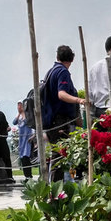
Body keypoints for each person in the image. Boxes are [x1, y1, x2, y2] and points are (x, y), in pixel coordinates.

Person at [43, 45, 86, 182]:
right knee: (60, 156)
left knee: (59, 155)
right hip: (60, 121)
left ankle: (61, 186)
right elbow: (61, 94)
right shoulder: (62, 72)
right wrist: (79, 100)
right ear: (71, 59)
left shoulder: (51, 71)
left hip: (52, 120)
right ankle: (58, 190)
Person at [13, 101, 34, 179]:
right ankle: (26, 176)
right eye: (18, 105)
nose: (19, 107)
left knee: (26, 157)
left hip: (27, 139)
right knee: (22, 158)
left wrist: (22, 113)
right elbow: (14, 122)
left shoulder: (27, 115)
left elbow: (27, 122)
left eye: (20, 105)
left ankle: (29, 176)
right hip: (22, 139)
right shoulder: (18, 116)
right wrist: (19, 114)